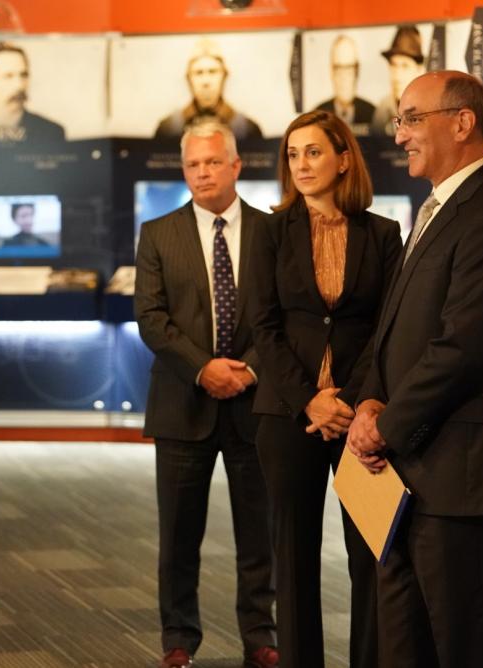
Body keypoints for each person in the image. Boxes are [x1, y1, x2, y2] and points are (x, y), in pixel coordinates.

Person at [348, 71, 483, 668]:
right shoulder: (436, 209)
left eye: (410, 118)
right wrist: (370, 402)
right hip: (407, 476)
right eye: (398, 120)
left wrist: (386, 423)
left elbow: (464, 347)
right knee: (403, 645)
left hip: (461, 478)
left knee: (467, 646)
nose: (399, 134)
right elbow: (395, 330)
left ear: (462, 123)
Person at [248, 110, 402, 668]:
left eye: (313, 152)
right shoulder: (268, 230)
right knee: (292, 558)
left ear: (343, 158)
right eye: (293, 154)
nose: (302, 164)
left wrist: (350, 399)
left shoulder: (382, 234)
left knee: (369, 558)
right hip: (288, 415)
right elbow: (262, 327)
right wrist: (309, 399)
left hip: (361, 417)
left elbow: (389, 328)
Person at [135, 120, 278, 668]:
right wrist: (204, 369)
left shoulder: (271, 231)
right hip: (182, 405)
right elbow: (150, 318)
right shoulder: (158, 232)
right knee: (178, 537)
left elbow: (285, 317)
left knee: (258, 535)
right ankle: (178, 639)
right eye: (193, 164)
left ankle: (260, 637)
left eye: (213, 162)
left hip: (255, 403)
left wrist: (249, 370)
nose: (201, 172)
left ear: (236, 166)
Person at [154, 38, 262, 142]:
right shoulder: (168, 129)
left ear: (224, 77)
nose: (206, 81)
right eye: (199, 73)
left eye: (213, 72)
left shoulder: (247, 129)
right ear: (189, 79)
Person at [315, 35, 376, 136]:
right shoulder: (318, 114)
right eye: (339, 68)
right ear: (331, 71)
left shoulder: (372, 114)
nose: (344, 76)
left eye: (349, 68)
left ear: (357, 71)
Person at [371, 25, 426, 136]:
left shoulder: (430, 109)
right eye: (393, 65)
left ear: (420, 70)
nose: (397, 75)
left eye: (405, 66)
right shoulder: (382, 108)